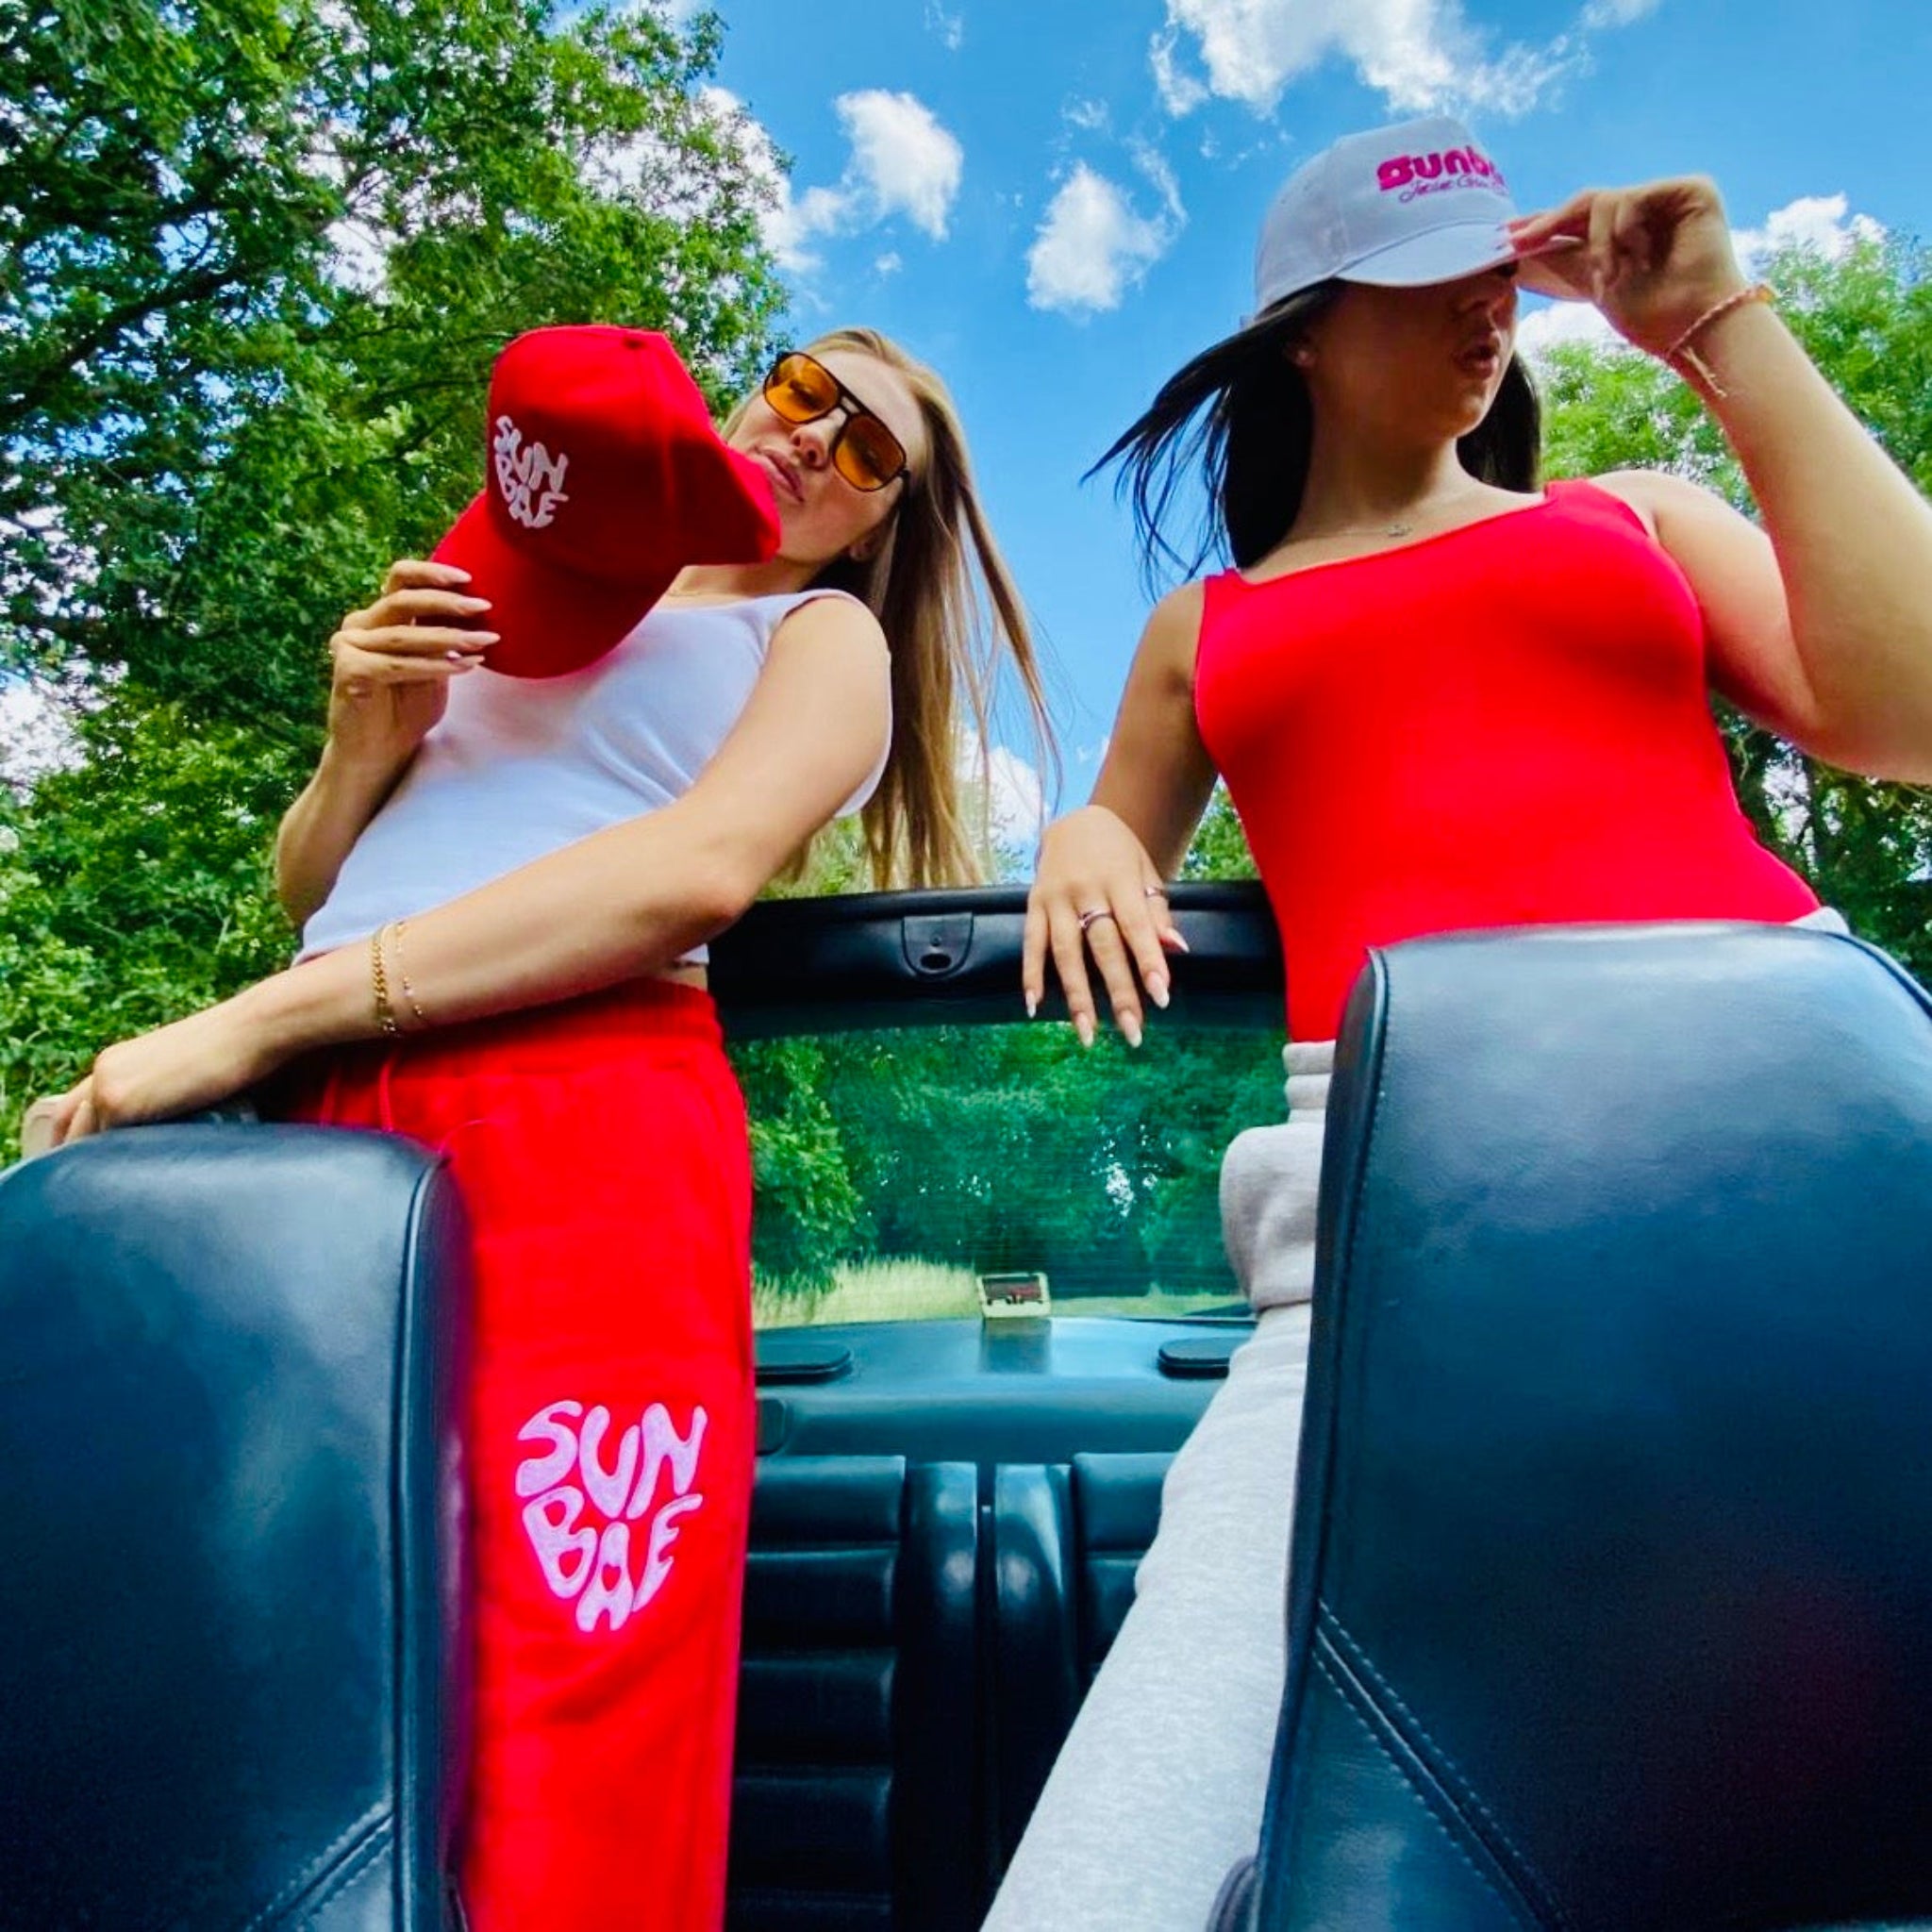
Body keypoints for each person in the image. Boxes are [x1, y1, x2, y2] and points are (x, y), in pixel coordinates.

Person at [1003, 112, 1932, 1929]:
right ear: (1302, 332)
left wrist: (1719, 318)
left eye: (1492, 281)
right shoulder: (1211, 628)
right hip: (1386, 1244)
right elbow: (1127, 818)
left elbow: (1903, 711)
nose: (1483, 321)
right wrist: (1082, 828)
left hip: (1801, 1171)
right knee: (1102, 1881)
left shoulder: (1634, 517)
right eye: (1421, 289)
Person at [25, 325, 1051, 1930]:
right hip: (322, 1113)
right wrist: (362, 735)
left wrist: (240, 1026)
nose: (816, 442)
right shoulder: (548, 560)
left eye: (871, 451)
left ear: (885, 521)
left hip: (587, 1121)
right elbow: (321, 881)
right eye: (804, 394)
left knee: (574, 1676)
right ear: (743, 389)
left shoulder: (817, 638)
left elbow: (694, 877)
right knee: (273, 1623)